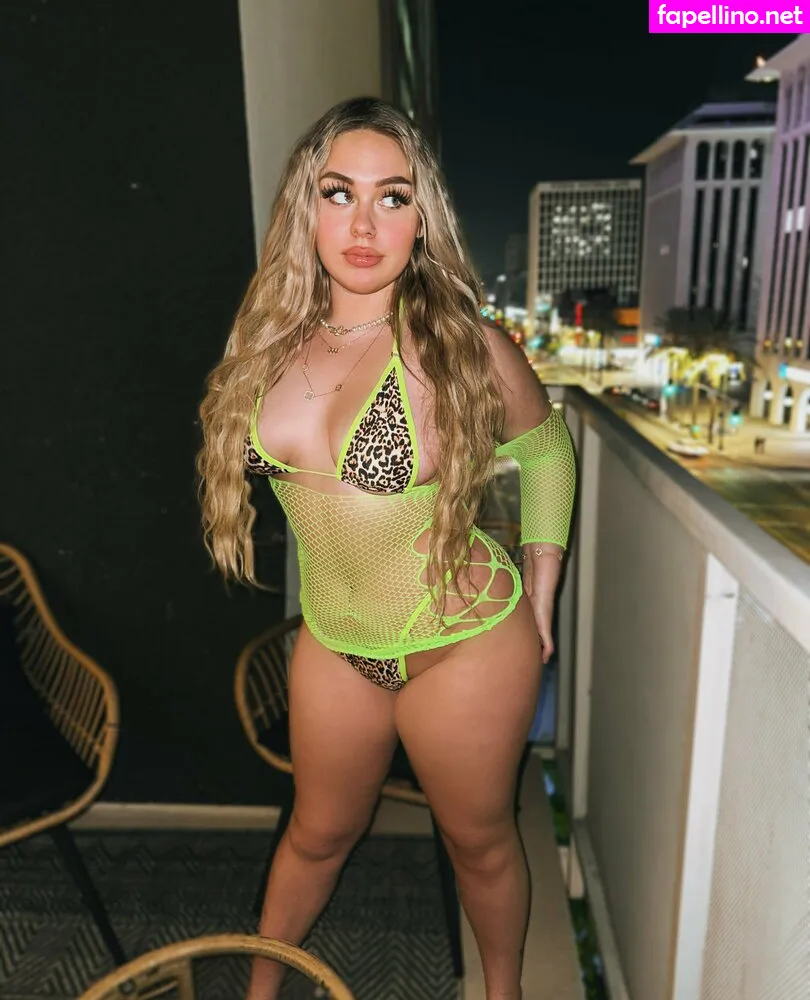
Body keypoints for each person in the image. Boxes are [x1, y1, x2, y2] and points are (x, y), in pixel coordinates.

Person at [198, 97, 576, 1000]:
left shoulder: (462, 347)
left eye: (392, 197)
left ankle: (502, 992)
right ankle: (260, 992)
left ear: (422, 218)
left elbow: (546, 450)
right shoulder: (265, 345)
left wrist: (542, 591)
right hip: (336, 644)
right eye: (339, 193)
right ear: (306, 208)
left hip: (465, 644)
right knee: (315, 835)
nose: (363, 225)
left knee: (478, 843)